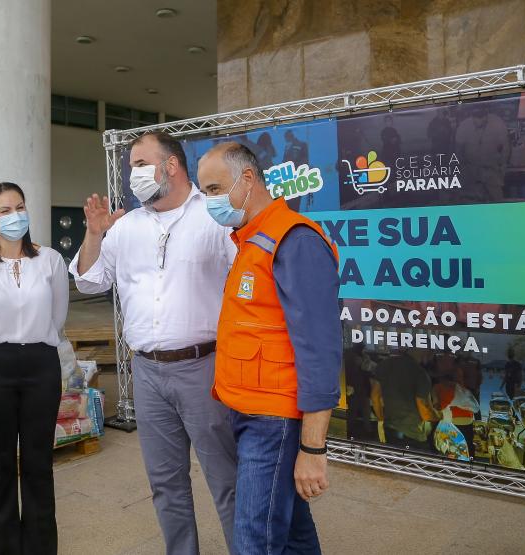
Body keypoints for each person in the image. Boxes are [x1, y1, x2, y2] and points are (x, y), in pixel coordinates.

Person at [72, 131, 238, 554]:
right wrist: (94, 234)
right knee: (165, 483)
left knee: (227, 480)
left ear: (172, 166)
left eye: (141, 165)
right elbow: (89, 281)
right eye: (131, 167)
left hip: (204, 368)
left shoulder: (214, 217)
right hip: (145, 371)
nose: (133, 175)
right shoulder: (125, 227)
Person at [198, 142, 341, 555]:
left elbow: (320, 351)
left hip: (272, 421)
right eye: (204, 192)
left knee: (253, 540)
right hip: (246, 412)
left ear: (247, 179)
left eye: (214, 189)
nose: (209, 201)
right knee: (293, 532)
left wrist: (312, 447)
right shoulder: (249, 241)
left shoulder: (294, 240)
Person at [0, 182, 69, 555]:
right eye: (5, 211)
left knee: (38, 463)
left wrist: (31, 341)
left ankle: (39, 546)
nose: (15, 216)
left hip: (41, 366)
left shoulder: (49, 260)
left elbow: (57, 318)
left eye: (20, 207)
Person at [370, 348, 441, 452]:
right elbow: (425, 413)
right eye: (432, 352)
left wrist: (381, 420)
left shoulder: (385, 364)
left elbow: (375, 396)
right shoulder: (420, 373)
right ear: (425, 350)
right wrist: (440, 416)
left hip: (390, 429)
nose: (432, 357)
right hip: (413, 435)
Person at [455, 106, 511, 202]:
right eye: (476, 116)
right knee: (473, 204)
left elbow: (506, 148)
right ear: (472, 115)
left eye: (482, 116)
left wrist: (502, 167)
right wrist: (463, 171)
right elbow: (458, 152)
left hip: (492, 173)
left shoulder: (498, 123)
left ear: (487, 114)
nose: (480, 119)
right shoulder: (463, 126)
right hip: (471, 173)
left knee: (497, 203)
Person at [344, 343, 374, 442]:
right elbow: (366, 369)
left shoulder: (351, 354)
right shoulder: (354, 356)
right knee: (358, 410)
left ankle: (353, 431)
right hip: (355, 387)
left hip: (356, 387)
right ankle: (365, 431)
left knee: (356, 410)